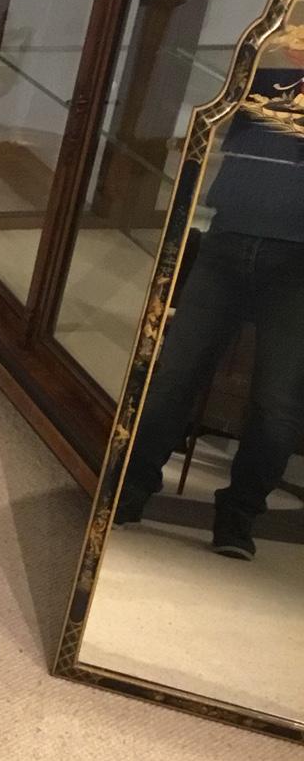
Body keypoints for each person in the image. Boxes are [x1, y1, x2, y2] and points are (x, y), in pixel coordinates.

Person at [117, 57, 304, 559]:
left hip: (298, 263)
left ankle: (238, 518)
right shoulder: (266, 65)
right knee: (173, 375)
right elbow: (215, 114)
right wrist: (280, 54)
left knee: (278, 405)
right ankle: (129, 491)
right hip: (227, 238)